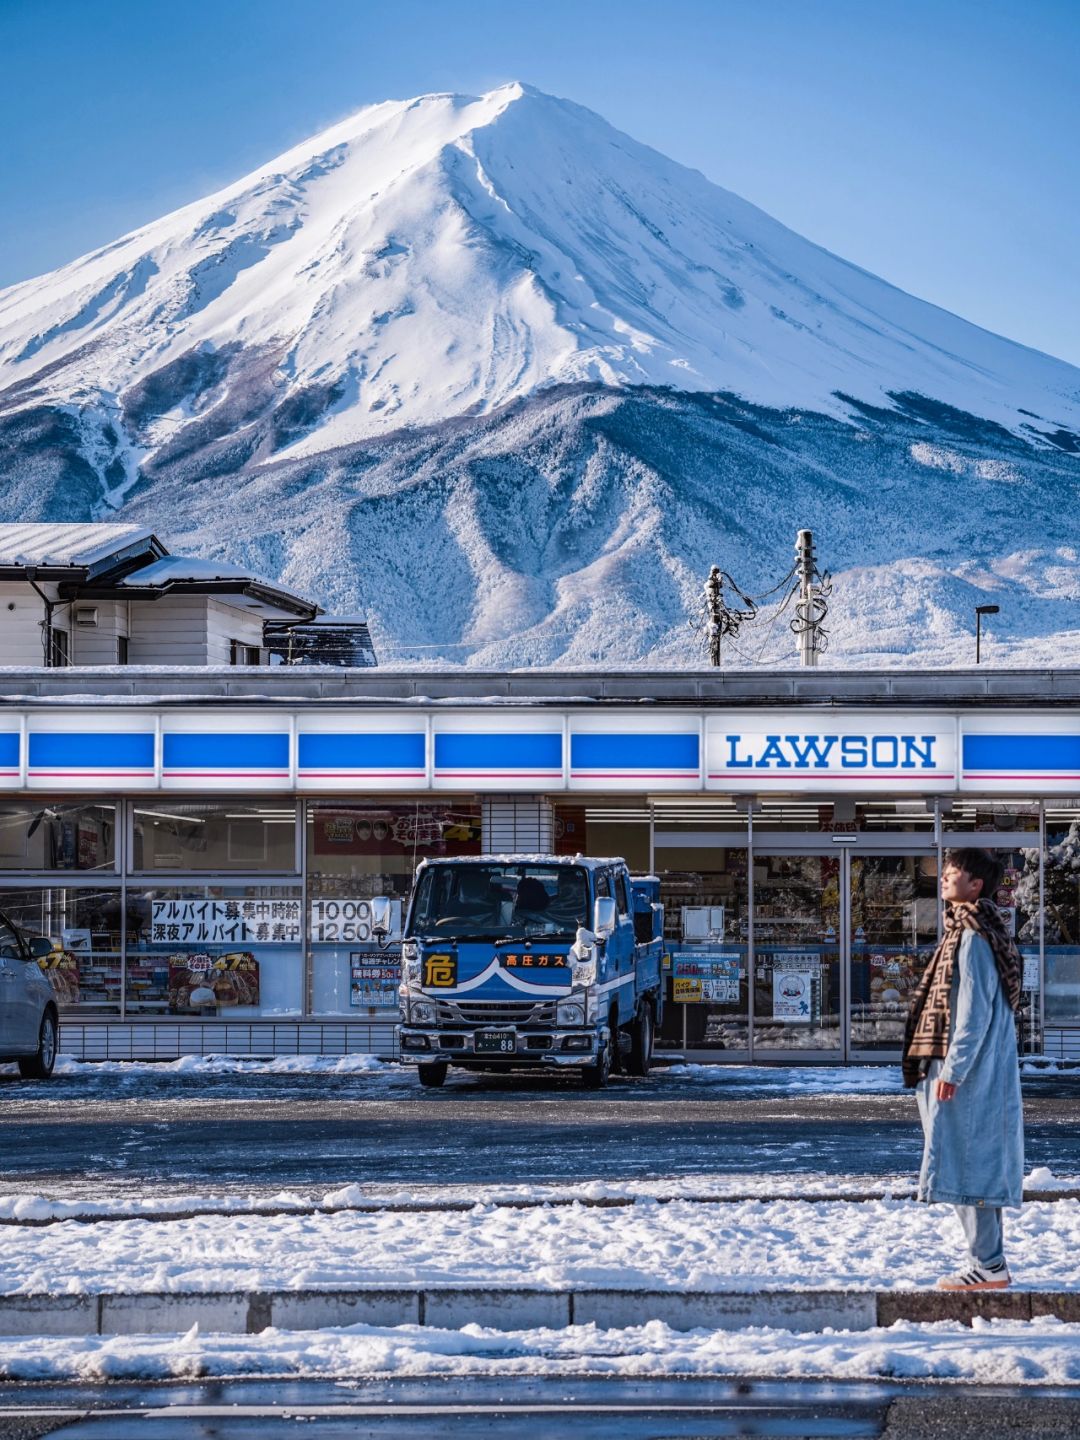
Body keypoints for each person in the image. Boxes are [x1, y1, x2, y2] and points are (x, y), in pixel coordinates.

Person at [902, 847, 1024, 1290]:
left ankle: (988, 1264)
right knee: (971, 1162)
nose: (945, 876)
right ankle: (989, 1261)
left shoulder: (972, 937)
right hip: (963, 1067)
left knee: (965, 1163)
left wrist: (952, 1071)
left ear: (976, 885)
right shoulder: (973, 930)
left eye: (954, 872)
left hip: (962, 1072)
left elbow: (973, 1014)